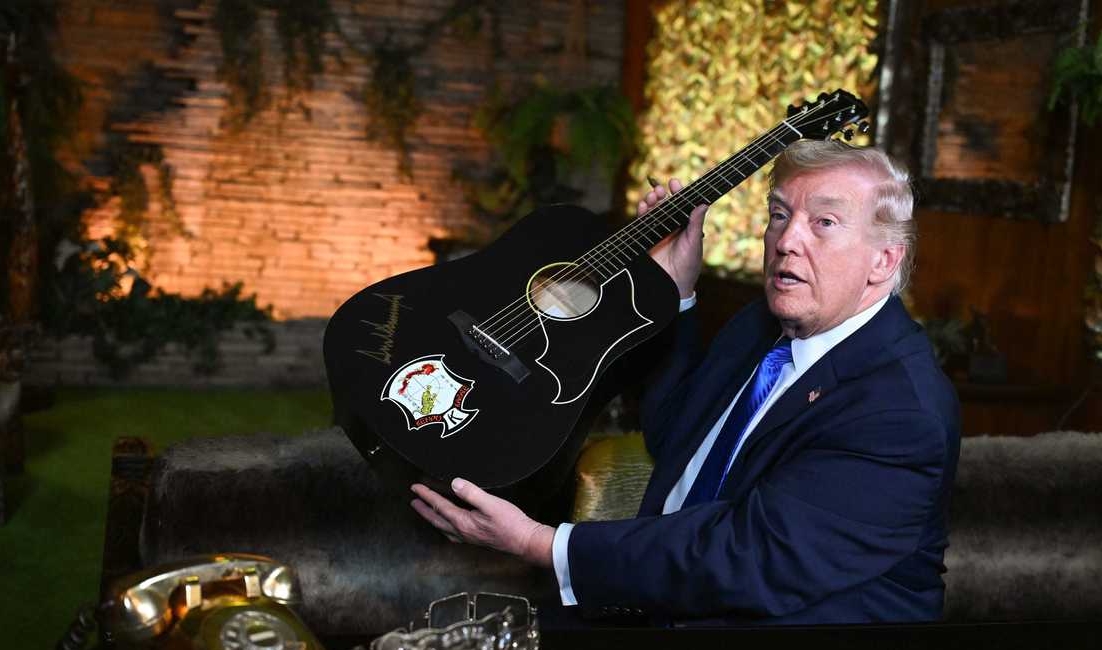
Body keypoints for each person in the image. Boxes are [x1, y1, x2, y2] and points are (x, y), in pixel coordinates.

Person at [411, 140, 961, 625]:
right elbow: (671, 431)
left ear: (883, 261)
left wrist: (540, 543)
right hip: (658, 604)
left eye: (825, 223)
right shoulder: (762, 325)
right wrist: (675, 288)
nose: (786, 240)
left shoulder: (900, 411)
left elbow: (749, 559)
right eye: (779, 214)